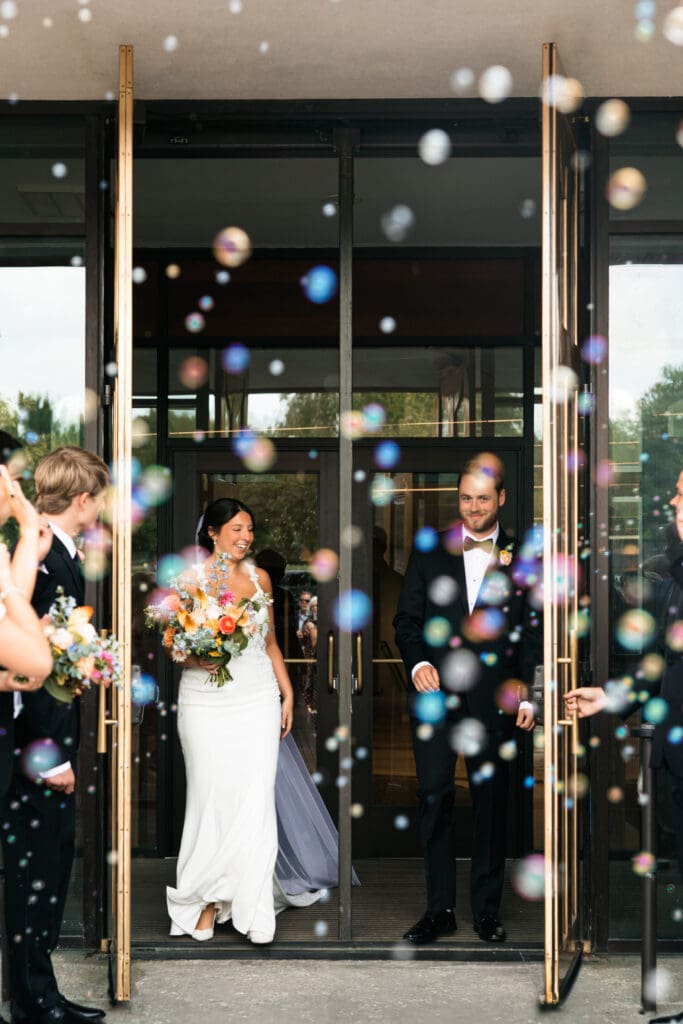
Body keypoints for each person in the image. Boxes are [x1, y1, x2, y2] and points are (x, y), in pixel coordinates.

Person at [394, 453, 537, 945]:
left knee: (490, 804)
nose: (473, 508)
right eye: (465, 499)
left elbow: (532, 634)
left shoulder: (525, 557)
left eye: (482, 499)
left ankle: (486, 912)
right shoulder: (430, 550)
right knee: (434, 797)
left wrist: (530, 693)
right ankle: (440, 910)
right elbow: (406, 622)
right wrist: (418, 664)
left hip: (496, 701)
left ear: (500, 498)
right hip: (436, 700)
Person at [167, 498, 325, 945]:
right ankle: (206, 901)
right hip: (205, 700)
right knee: (210, 797)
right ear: (212, 533)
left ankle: (253, 905)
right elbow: (173, 645)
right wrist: (196, 653)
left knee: (255, 798)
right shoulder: (188, 579)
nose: (245, 537)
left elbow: (271, 641)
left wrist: (287, 691)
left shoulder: (261, 578)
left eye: (250, 529)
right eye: (236, 528)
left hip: (257, 695)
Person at [565, 465, 683, 1024]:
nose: (676, 504)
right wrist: (607, 698)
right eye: (678, 492)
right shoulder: (673, 584)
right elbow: (655, 667)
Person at [1, 446, 110, 1024]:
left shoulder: (54, 552)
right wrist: (49, 758)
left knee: (48, 870)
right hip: (33, 750)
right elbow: (31, 668)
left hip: (44, 743)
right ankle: (33, 999)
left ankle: (40, 992)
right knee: (36, 876)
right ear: (84, 499)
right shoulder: (42, 560)